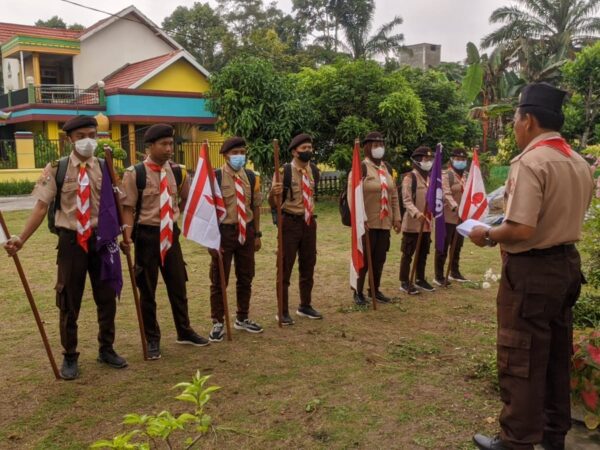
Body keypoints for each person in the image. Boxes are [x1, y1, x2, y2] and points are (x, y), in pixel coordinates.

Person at [470, 83, 595, 450]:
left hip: (532, 272)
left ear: (530, 119)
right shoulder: (578, 162)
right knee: (557, 352)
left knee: (521, 354)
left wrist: (488, 234)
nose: (513, 125)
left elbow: (522, 228)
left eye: (514, 119)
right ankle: (554, 434)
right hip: (566, 265)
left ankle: (516, 440)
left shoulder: (531, 161)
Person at [3, 115, 127, 380]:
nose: (87, 141)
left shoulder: (106, 166)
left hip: (102, 240)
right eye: (81, 136)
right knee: (68, 299)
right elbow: (40, 207)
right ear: (67, 138)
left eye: (91, 135)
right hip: (71, 242)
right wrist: (21, 239)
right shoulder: (57, 168)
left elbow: (117, 204)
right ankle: (70, 355)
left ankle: (107, 348)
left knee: (106, 297)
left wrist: (125, 236)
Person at [120, 123, 208, 360]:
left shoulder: (178, 171)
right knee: (147, 290)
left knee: (178, 285)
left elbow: (189, 199)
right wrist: (126, 236)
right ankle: (152, 339)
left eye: (171, 144)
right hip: (146, 236)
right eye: (164, 144)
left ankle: (184, 330)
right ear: (150, 146)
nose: (169, 148)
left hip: (171, 235)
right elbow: (127, 208)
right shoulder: (135, 173)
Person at [208, 137, 263, 342]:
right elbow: (208, 210)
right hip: (224, 233)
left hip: (246, 231)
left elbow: (255, 206)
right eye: (235, 153)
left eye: (242, 152)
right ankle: (218, 322)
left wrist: (257, 234)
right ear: (225, 155)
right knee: (219, 278)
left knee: (246, 275)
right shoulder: (215, 177)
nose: (240, 156)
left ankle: (243, 317)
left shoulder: (251, 176)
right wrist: (211, 241)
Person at [268, 133, 322, 325]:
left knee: (308, 264)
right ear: (294, 151)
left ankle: (305, 305)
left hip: (308, 221)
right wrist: (273, 194)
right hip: (289, 223)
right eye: (304, 148)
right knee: (284, 267)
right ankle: (282, 311)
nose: (308, 151)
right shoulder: (284, 171)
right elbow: (273, 203)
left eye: (310, 148)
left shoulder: (314, 170)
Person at [348, 131, 401, 305]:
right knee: (364, 258)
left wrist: (397, 218)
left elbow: (393, 194)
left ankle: (374, 289)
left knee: (379, 258)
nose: (379, 148)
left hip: (384, 221)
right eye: (375, 145)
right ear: (367, 147)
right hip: (366, 222)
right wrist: (359, 219)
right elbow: (352, 196)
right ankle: (358, 291)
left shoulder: (387, 168)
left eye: (381, 145)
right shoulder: (361, 168)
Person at [399, 146, 434, 295]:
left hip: (427, 224)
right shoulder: (409, 178)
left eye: (429, 159)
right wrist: (417, 213)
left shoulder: (431, 178)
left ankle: (420, 278)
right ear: (417, 160)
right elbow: (406, 201)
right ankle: (405, 281)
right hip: (413, 224)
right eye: (425, 159)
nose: (428, 162)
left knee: (423, 252)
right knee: (408, 253)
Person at [433, 148, 469, 286]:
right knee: (443, 246)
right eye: (458, 159)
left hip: (462, 218)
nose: (460, 162)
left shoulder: (466, 175)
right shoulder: (446, 175)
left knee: (457, 245)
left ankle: (455, 271)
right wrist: (455, 207)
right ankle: (439, 275)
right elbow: (445, 193)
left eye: (463, 159)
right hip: (447, 217)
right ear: (452, 160)